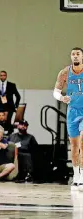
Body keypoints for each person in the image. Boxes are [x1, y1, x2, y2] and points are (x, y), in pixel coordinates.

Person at [53, 47, 83, 191]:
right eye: (73, 54)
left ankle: (82, 175)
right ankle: (76, 176)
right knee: (74, 146)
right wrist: (61, 97)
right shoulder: (65, 72)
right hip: (72, 111)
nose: (75, 56)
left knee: (82, 142)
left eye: (78, 54)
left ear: (82, 57)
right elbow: (56, 91)